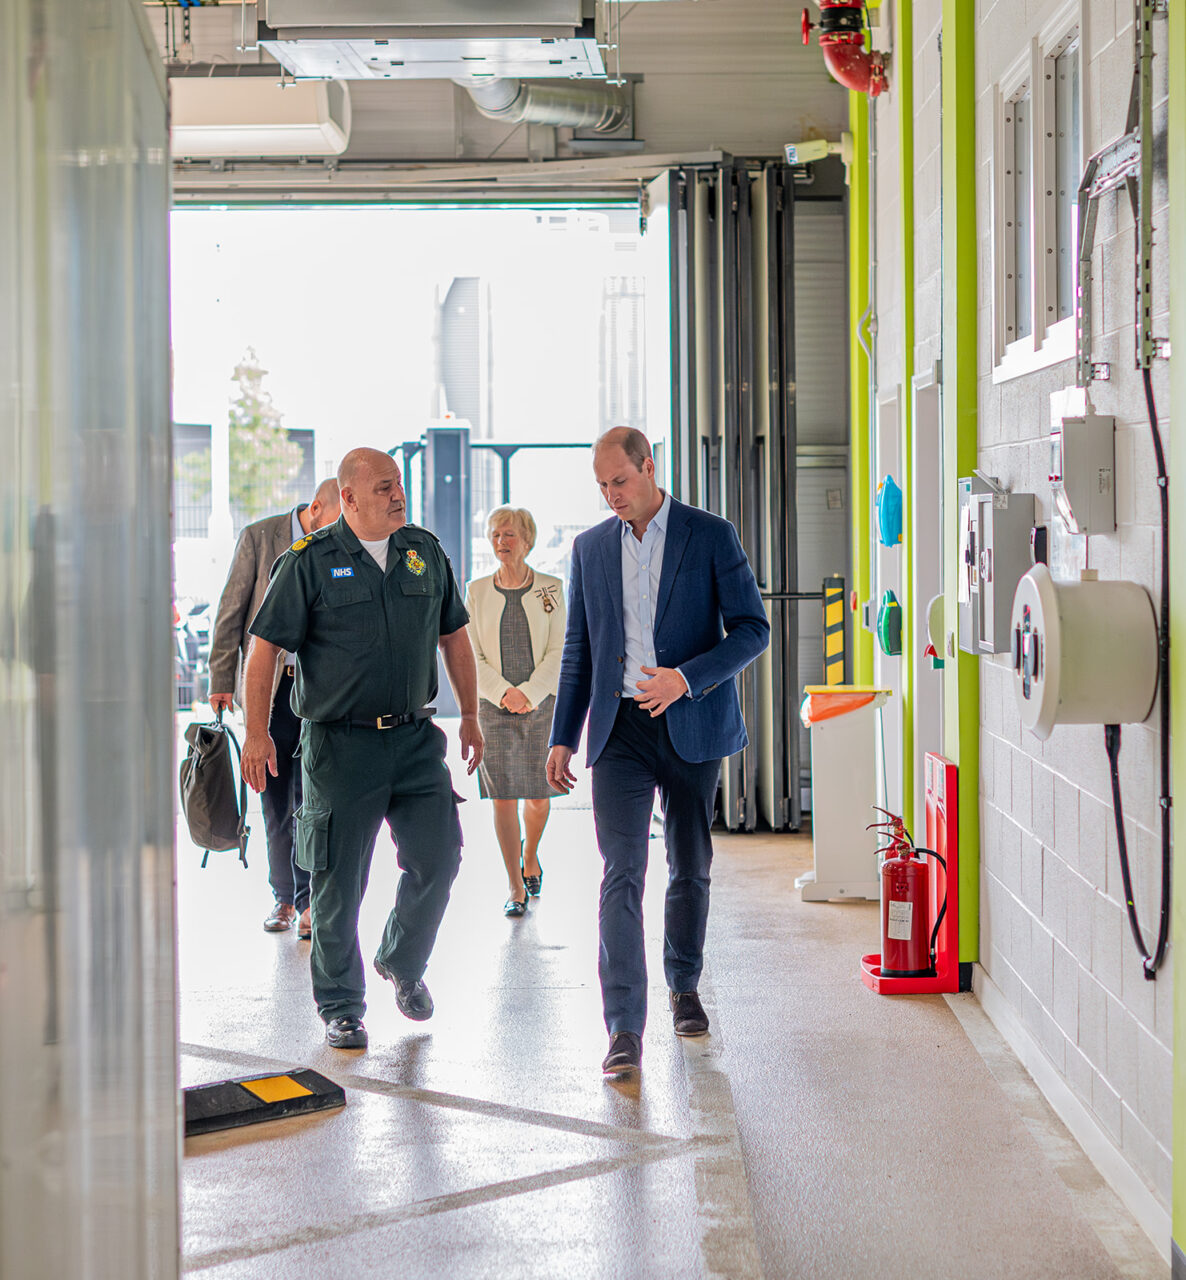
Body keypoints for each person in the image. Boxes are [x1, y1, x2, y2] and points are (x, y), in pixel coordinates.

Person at [240, 447, 483, 1051]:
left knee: (441, 856)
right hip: (339, 746)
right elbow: (265, 649)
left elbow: (454, 635)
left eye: (398, 485)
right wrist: (256, 730)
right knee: (337, 883)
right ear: (347, 499)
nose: (397, 495)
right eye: (382, 488)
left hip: (414, 739)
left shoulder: (423, 551)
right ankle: (342, 1005)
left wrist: (472, 715)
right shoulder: (309, 562)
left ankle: (402, 961)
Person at [546, 427, 769, 1078]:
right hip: (620, 732)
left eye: (619, 481)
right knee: (621, 872)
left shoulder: (710, 535)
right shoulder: (589, 550)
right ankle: (622, 1029)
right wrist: (563, 734)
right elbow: (580, 651)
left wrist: (687, 678)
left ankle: (684, 984)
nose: (611, 496)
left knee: (689, 863)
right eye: (601, 486)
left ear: (648, 468)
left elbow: (752, 629)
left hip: (692, 721)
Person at [207, 478, 341, 938]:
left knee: (312, 798)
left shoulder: (337, 545)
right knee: (274, 796)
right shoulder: (259, 537)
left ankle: (307, 902)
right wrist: (221, 678)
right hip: (267, 689)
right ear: (317, 508)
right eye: (339, 518)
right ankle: (283, 897)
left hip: (317, 690)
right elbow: (230, 612)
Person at [465, 507, 566, 918]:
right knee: (503, 799)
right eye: (494, 534)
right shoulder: (475, 591)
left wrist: (529, 693)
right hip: (493, 709)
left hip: (542, 707)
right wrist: (504, 693)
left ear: (527, 540)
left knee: (539, 797)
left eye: (508, 534)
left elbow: (560, 651)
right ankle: (514, 883)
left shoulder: (552, 589)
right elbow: (471, 654)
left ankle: (531, 855)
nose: (500, 542)